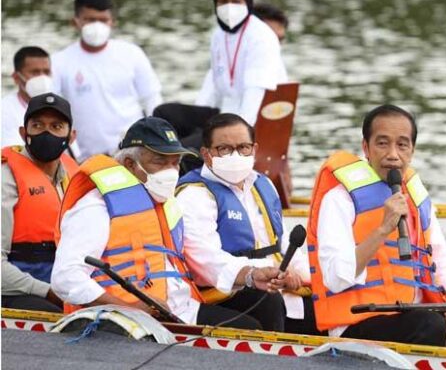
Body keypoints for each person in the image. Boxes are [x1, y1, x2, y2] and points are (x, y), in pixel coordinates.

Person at [307, 104, 446, 351]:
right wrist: (382, 229)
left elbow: (441, 260)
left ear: (412, 150)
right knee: (428, 326)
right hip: (358, 322)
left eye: (402, 145)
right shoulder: (339, 199)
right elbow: (335, 278)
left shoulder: (416, 196)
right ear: (366, 147)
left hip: (419, 316)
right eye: (382, 143)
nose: (392, 155)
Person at [51, 117, 283, 328]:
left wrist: (251, 274)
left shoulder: (165, 203)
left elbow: (202, 257)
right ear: (130, 164)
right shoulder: (96, 207)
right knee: (247, 329)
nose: (171, 171)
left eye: (175, 162)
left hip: (180, 311)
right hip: (126, 322)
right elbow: (65, 277)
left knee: (263, 307)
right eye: (159, 161)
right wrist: (125, 308)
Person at [176, 113, 320, 334]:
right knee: (266, 300)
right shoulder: (194, 195)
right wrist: (253, 274)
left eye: (243, 147)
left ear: (254, 149)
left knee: (325, 303)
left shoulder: (264, 185)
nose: (235, 154)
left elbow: (281, 244)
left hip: (276, 286)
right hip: (227, 292)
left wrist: (304, 276)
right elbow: (204, 259)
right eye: (224, 149)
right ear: (206, 154)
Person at [52, 0, 163, 160]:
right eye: (90, 20)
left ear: (113, 23)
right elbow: (52, 111)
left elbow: (152, 99)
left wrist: (158, 142)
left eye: (103, 20)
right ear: (75, 22)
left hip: (133, 151)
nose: (97, 25)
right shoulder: (59, 61)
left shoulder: (132, 53)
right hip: (85, 157)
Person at [2, 93, 78, 312]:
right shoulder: (5, 179)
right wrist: (46, 292)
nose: (46, 133)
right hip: (18, 290)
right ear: (23, 133)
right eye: (38, 125)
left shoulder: (74, 175)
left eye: (56, 126)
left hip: (64, 283)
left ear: (71, 137)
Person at [195, 0, 287, 126]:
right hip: (225, 115)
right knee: (166, 112)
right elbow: (212, 89)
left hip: (246, 127)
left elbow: (252, 103)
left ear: (248, 3)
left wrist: (235, 139)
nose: (229, 7)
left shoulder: (261, 38)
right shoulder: (218, 35)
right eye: (223, 1)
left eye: (236, 1)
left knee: (188, 143)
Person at [2, 47, 54, 147]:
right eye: (35, 72)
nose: (42, 78)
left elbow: (72, 155)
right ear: (17, 78)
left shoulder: (59, 106)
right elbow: (10, 154)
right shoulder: (4, 111)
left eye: (46, 72)